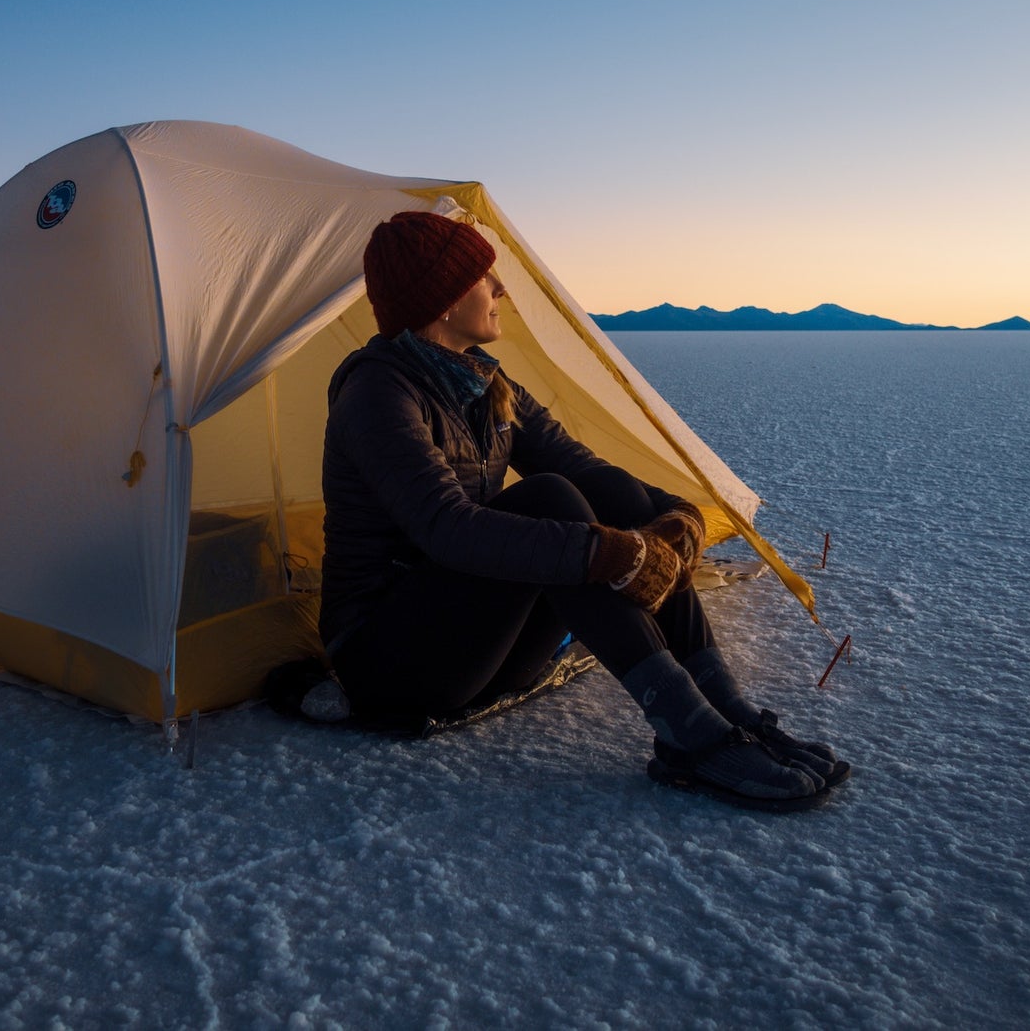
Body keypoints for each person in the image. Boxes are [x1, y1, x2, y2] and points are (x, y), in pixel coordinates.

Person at [319, 211, 850, 810]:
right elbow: (447, 528)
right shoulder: (377, 393)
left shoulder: (488, 388)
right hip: (393, 662)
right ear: (441, 299)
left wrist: (678, 517)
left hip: (482, 652)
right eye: (484, 278)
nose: (500, 291)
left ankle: (726, 711)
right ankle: (692, 737)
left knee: (611, 501)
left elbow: (595, 474)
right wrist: (611, 555)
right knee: (551, 501)